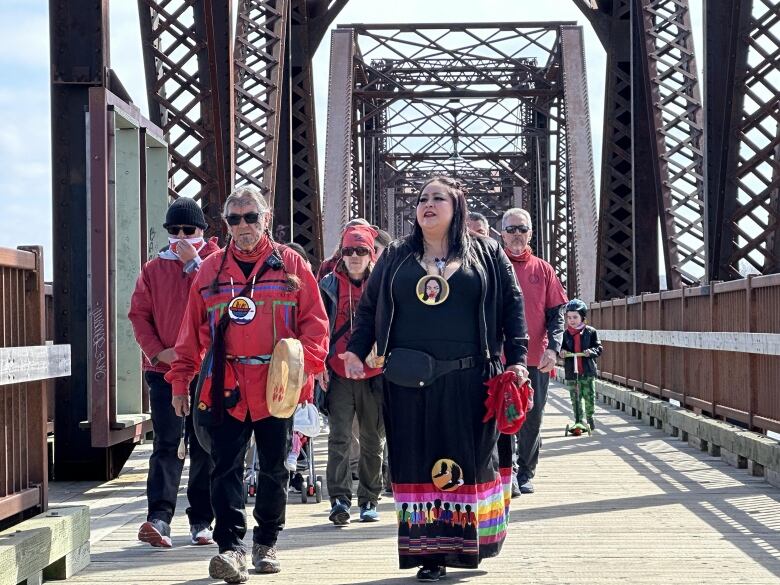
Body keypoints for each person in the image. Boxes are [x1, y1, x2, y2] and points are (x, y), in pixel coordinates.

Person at [342, 175, 528, 582]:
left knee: (470, 460)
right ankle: (430, 553)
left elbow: (513, 308)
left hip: (471, 378)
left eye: (438, 198)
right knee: (418, 462)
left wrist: (517, 361)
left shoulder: (487, 253)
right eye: (423, 198)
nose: (428, 204)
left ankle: (468, 543)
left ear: (456, 206)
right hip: (408, 381)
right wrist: (356, 350)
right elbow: (371, 307)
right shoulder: (395, 256)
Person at [166, 186, 329, 583]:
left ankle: (266, 543)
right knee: (224, 468)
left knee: (275, 467)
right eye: (234, 219)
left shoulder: (291, 266)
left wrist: (301, 370)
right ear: (226, 224)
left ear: (266, 219)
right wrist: (180, 383)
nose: (243, 226)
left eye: (251, 217)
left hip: (276, 387)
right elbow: (190, 333)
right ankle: (231, 549)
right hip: (226, 385)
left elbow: (316, 325)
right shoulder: (209, 271)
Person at [129, 197, 220, 548]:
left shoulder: (215, 263)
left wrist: (193, 263)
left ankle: (201, 521)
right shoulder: (153, 269)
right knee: (166, 444)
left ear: (202, 231)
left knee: (204, 445)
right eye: (174, 230)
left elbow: (220, 300)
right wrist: (157, 351)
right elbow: (139, 315)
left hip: (206, 368)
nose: (181, 236)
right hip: (164, 369)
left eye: (189, 230)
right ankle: (159, 518)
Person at [318, 224, 386, 525]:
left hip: (375, 371)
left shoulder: (384, 286)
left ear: (371, 253)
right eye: (349, 250)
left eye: (361, 250)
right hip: (339, 372)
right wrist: (317, 364)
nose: (355, 256)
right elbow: (317, 328)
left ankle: (369, 499)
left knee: (373, 440)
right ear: (341, 254)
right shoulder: (328, 286)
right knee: (340, 437)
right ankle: (339, 500)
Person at [500, 208, 567, 497]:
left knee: (532, 417)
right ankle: (507, 473)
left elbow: (557, 313)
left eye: (522, 229)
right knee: (500, 416)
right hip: (499, 357)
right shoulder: (492, 265)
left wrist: (554, 348)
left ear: (531, 233)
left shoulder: (543, 269)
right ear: (501, 233)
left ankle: (526, 472)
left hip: (536, 358)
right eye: (511, 229)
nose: (517, 235)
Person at [559, 299, 603, 431]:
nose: (571, 320)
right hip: (572, 371)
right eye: (569, 317)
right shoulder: (565, 334)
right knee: (575, 397)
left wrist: (591, 352)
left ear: (583, 317)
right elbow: (561, 348)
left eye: (575, 317)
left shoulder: (590, 332)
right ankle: (578, 420)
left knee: (589, 396)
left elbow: (599, 347)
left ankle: (590, 417)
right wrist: (562, 352)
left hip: (587, 371)